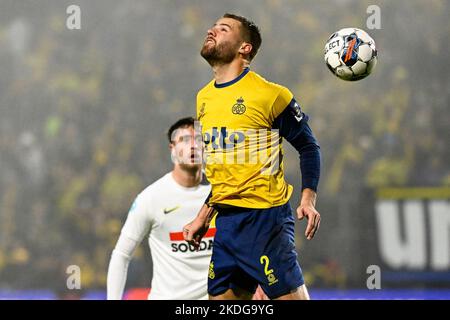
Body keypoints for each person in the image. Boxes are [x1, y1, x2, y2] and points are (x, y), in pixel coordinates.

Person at [183, 13, 321, 300]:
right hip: (226, 225)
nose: (212, 30)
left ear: (244, 48)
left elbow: (308, 146)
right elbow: (225, 169)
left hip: (265, 222)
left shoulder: (271, 95)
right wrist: (203, 215)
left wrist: (308, 199)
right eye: (213, 26)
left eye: (223, 29)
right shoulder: (203, 98)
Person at [107, 117, 213, 300]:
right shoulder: (151, 198)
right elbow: (121, 255)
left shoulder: (220, 193)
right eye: (185, 140)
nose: (193, 146)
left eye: (198, 139)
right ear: (172, 149)